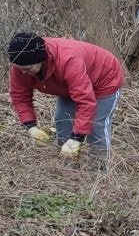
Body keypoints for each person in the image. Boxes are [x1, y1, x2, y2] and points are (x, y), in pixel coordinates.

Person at [8, 32, 125, 168]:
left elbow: (85, 101)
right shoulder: (21, 66)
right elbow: (19, 96)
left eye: (27, 69)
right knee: (62, 119)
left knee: (95, 125)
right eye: (19, 68)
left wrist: (77, 138)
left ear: (42, 60)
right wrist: (31, 127)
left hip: (104, 79)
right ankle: (68, 164)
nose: (22, 73)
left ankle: (100, 167)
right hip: (71, 85)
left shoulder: (68, 60)